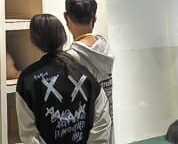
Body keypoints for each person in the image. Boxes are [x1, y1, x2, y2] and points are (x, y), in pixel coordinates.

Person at [16, 14, 111, 144]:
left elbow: (29, 134)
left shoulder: (27, 80)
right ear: (63, 36)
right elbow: (102, 120)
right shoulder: (83, 72)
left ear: (34, 41)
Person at [64, 0, 115, 129]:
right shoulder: (105, 49)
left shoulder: (69, 59)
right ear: (94, 18)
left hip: (82, 134)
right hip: (106, 131)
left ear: (66, 17)